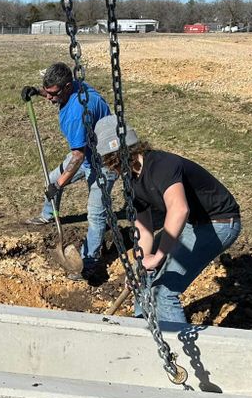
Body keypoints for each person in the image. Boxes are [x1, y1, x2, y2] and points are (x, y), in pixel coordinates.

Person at [94, 114, 241, 324]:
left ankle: (177, 351)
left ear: (127, 153)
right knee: (143, 279)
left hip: (219, 222)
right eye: (112, 166)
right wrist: (140, 266)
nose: (116, 171)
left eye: (116, 163)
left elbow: (179, 210)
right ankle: (144, 329)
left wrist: (158, 257)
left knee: (164, 292)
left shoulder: (162, 166)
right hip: (192, 224)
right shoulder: (132, 182)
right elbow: (144, 231)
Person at [22, 62, 116, 281]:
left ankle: (89, 261)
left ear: (66, 87)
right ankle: (48, 216)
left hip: (106, 160)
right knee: (52, 178)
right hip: (87, 151)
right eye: (47, 92)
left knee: (95, 212)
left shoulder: (77, 112)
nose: (49, 98)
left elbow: (78, 156)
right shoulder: (75, 87)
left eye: (53, 94)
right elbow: (79, 155)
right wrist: (37, 91)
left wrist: (59, 185)